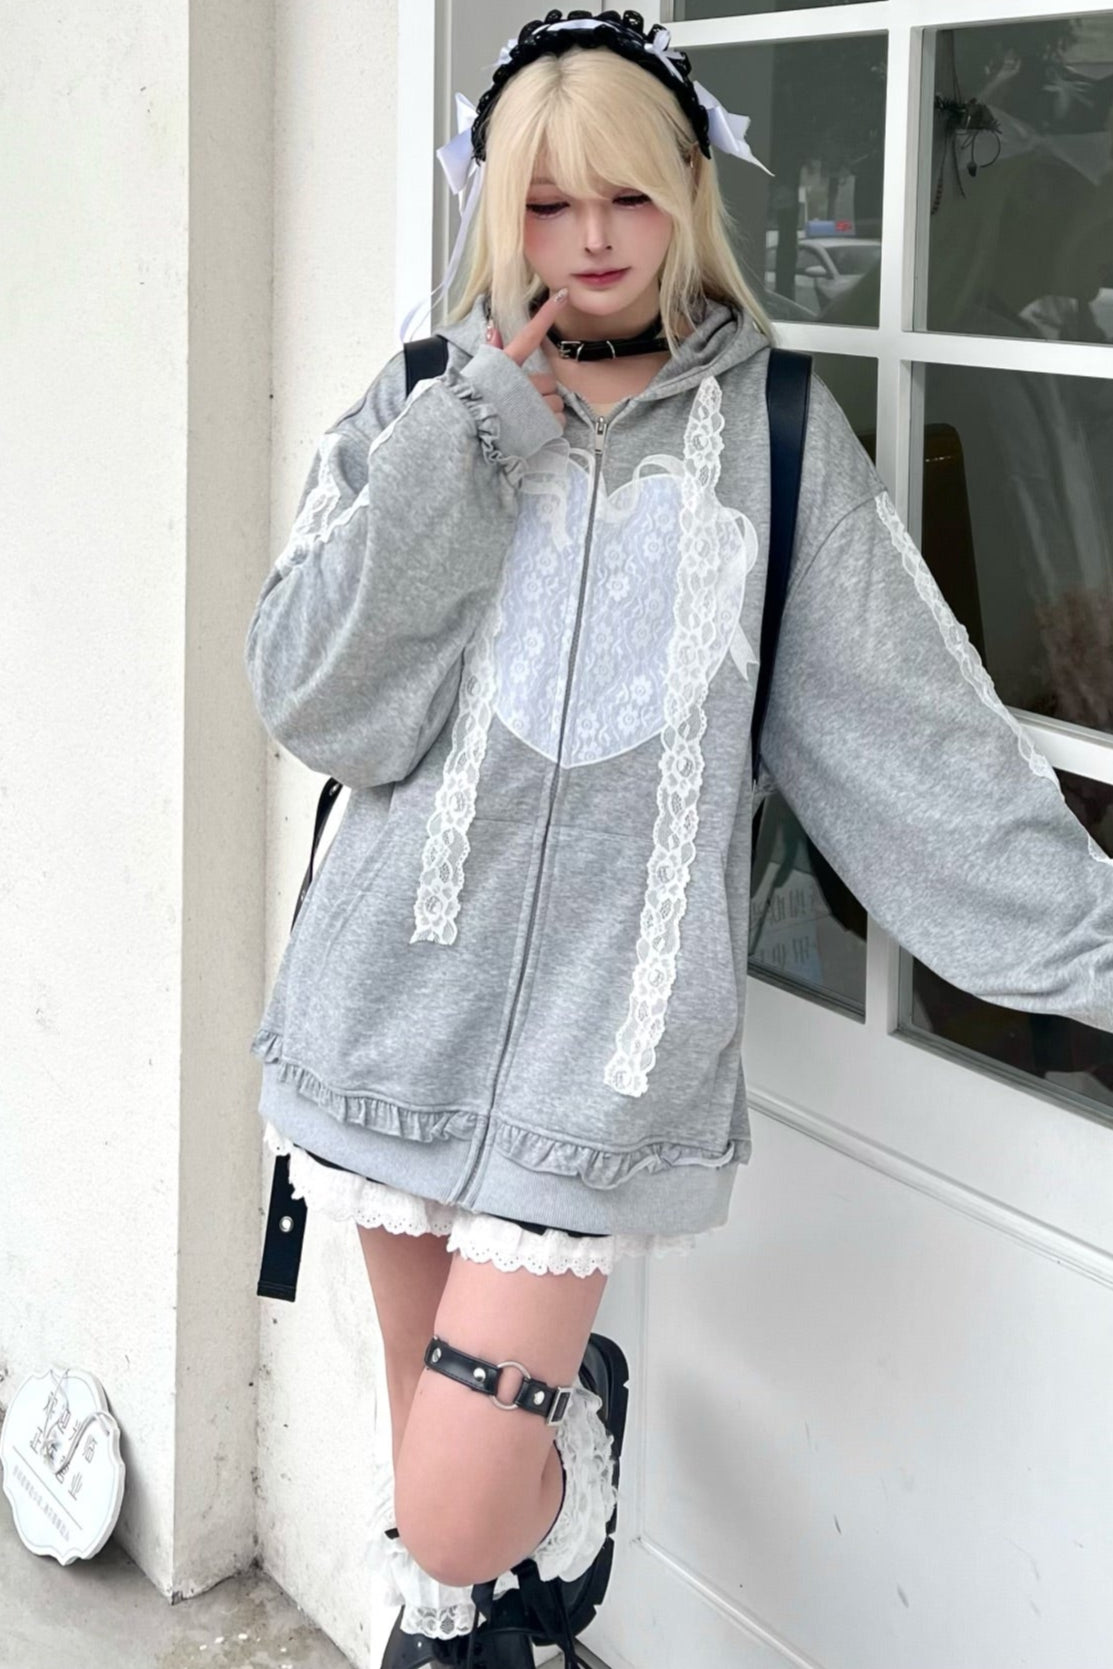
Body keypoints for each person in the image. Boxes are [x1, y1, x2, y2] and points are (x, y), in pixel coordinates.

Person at [242, 10, 1113, 1667]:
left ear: (687, 196)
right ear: (497, 205)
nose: (589, 239)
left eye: (627, 198)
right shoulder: (420, 403)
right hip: (386, 1020)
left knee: (454, 1503)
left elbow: (914, 744)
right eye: (547, 201)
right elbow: (311, 695)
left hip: (601, 1059)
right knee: (429, 1494)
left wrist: (1089, 945)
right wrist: (468, 447)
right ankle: (479, 1635)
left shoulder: (776, 440)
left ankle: (554, 1465)